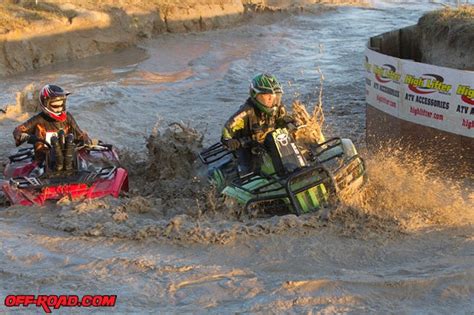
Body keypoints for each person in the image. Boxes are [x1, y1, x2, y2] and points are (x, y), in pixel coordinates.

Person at [221, 73, 293, 176]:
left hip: (270, 143)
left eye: (275, 96)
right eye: (267, 96)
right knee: (248, 174)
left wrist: (291, 123)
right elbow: (227, 130)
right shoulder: (246, 112)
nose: (271, 100)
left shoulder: (278, 108)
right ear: (256, 95)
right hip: (247, 147)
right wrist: (230, 141)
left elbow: (283, 119)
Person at [13, 84, 89, 174]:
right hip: (44, 159)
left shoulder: (68, 118)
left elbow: (80, 134)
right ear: (46, 104)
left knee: (82, 163)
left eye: (62, 105)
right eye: (56, 106)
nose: (59, 109)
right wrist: (25, 137)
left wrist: (85, 140)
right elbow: (17, 131)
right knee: (38, 170)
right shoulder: (38, 120)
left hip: (67, 154)